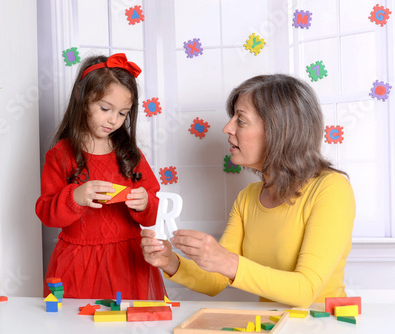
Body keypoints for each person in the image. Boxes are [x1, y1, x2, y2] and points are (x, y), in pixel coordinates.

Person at [141, 74, 356, 308]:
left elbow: (306, 290)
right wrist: (170, 261)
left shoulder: (331, 189)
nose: (227, 128)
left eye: (240, 120)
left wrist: (228, 261)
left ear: (279, 131)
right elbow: (216, 280)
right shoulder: (248, 197)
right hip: (273, 324)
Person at [36, 53, 167, 300]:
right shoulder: (60, 155)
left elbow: (152, 209)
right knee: (78, 323)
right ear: (82, 98)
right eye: (105, 108)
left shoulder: (129, 154)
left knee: (127, 321)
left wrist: (145, 203)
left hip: (127, 260)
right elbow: (46, 212)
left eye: (122, 113)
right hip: (79, 263)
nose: (113, 120)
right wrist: (75, 196)